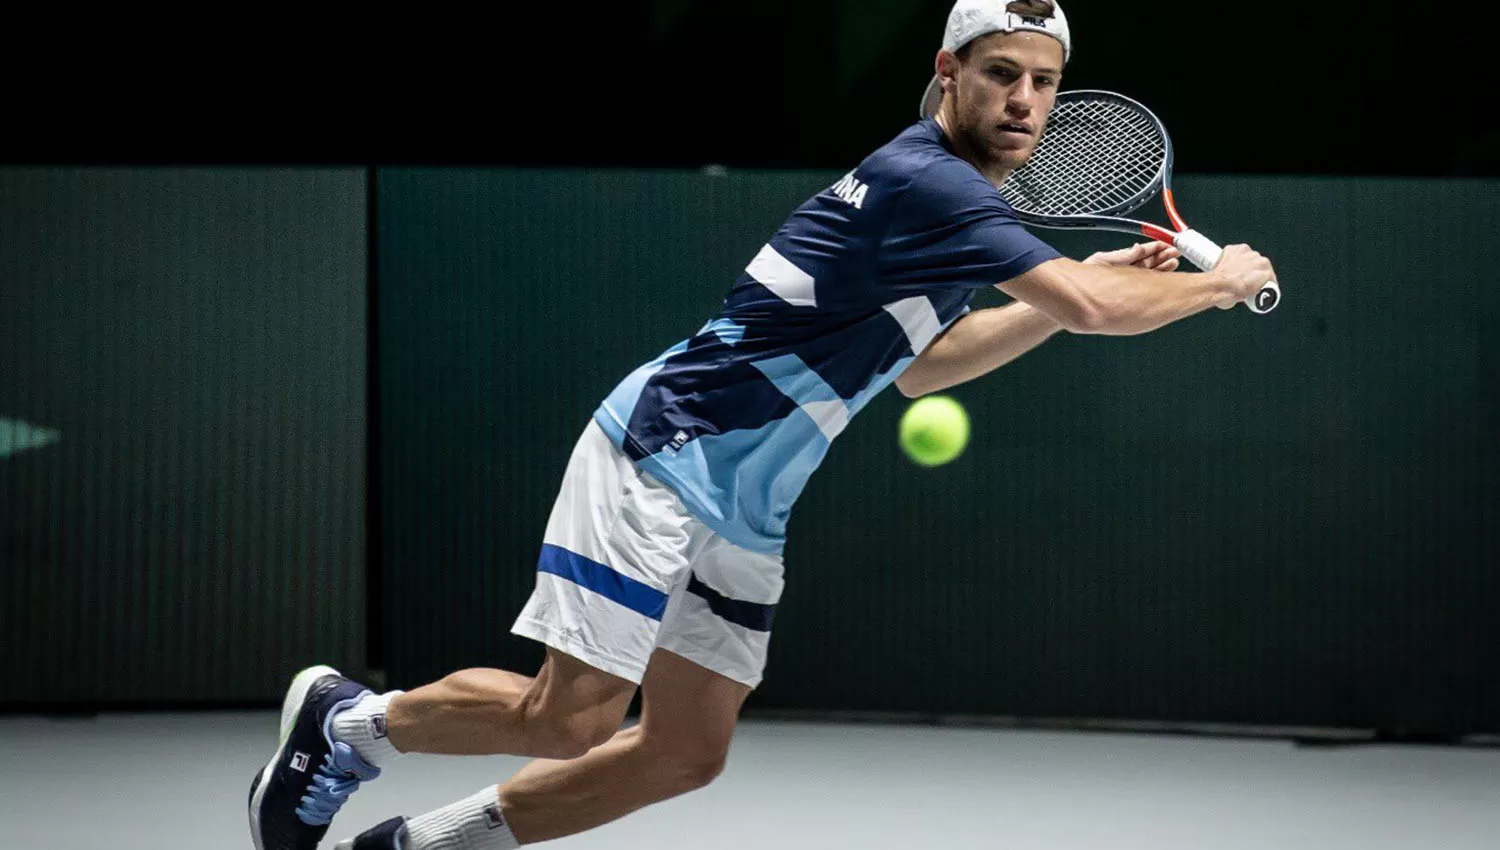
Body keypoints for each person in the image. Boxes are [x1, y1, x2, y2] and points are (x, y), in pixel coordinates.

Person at [248, 1, 1278, 847]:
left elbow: (922, 370)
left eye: (1042, 81)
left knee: (684, 752)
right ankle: (345, 724)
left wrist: (1067, 297)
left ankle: (420, 848)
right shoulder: (933, 183)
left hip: (750, 503)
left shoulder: (957, 209)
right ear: (948, 72)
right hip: (668, 447)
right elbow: (1098, 311)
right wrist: (1217, 281)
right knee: (571, 717)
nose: (1022, 99)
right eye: (1000, 72)